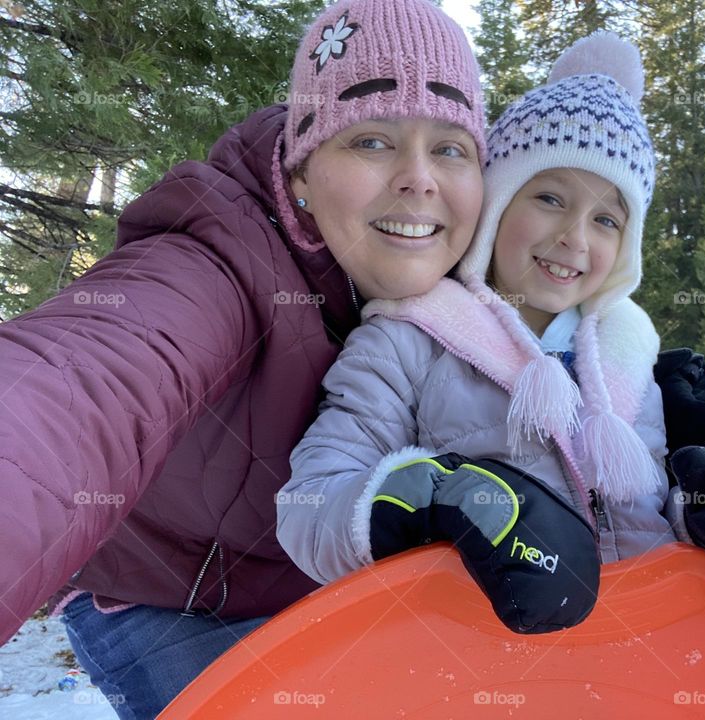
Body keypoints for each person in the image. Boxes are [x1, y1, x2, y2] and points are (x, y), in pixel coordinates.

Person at [0, 1, 487, 716]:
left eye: (451, 148)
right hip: (169, 598)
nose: (420, 178)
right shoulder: (216, 264)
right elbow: (80, 385)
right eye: (372, 141)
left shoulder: (475, 298)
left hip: (328, 583)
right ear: (299, 173)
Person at [278, 33, 705, 637]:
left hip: (639, 651)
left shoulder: (631, 363)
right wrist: (436, 498)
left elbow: (639, 513)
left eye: (605, 219)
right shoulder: (408, 340)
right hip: (465, 656)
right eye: (548, 198)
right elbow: (309, 508)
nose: (576, 238)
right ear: (496, 207)